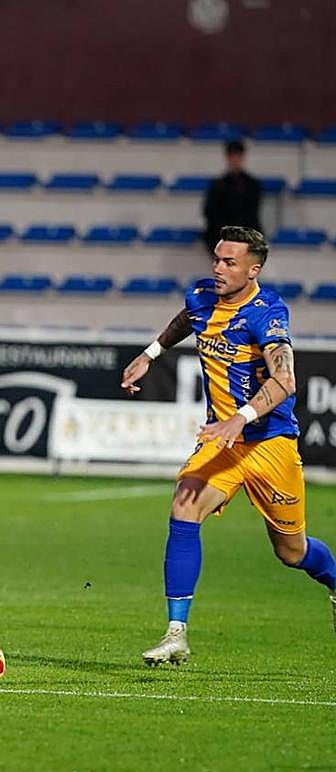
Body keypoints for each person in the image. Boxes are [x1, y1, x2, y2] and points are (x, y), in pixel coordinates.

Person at [120, 225, 336, 665]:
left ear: (253, 271)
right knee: (184, 504)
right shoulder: (202, 295)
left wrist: (241, 418)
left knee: (291, 551)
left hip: (269, 443)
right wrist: (150, 355)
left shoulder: (267, 314)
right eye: (216, 259)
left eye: (229, 262)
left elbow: (285, 381)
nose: (217, 268)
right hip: (223, 442)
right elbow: (187, 318)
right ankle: (176, 633)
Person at [203, 140, 262, 251]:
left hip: (245, 233)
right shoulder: (218, 185)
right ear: (227, 158)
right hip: (220, 234)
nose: (235, 160)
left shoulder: (252, 184)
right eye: (232, 156)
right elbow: (210, 211)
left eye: (238, 156)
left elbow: (252, 212)